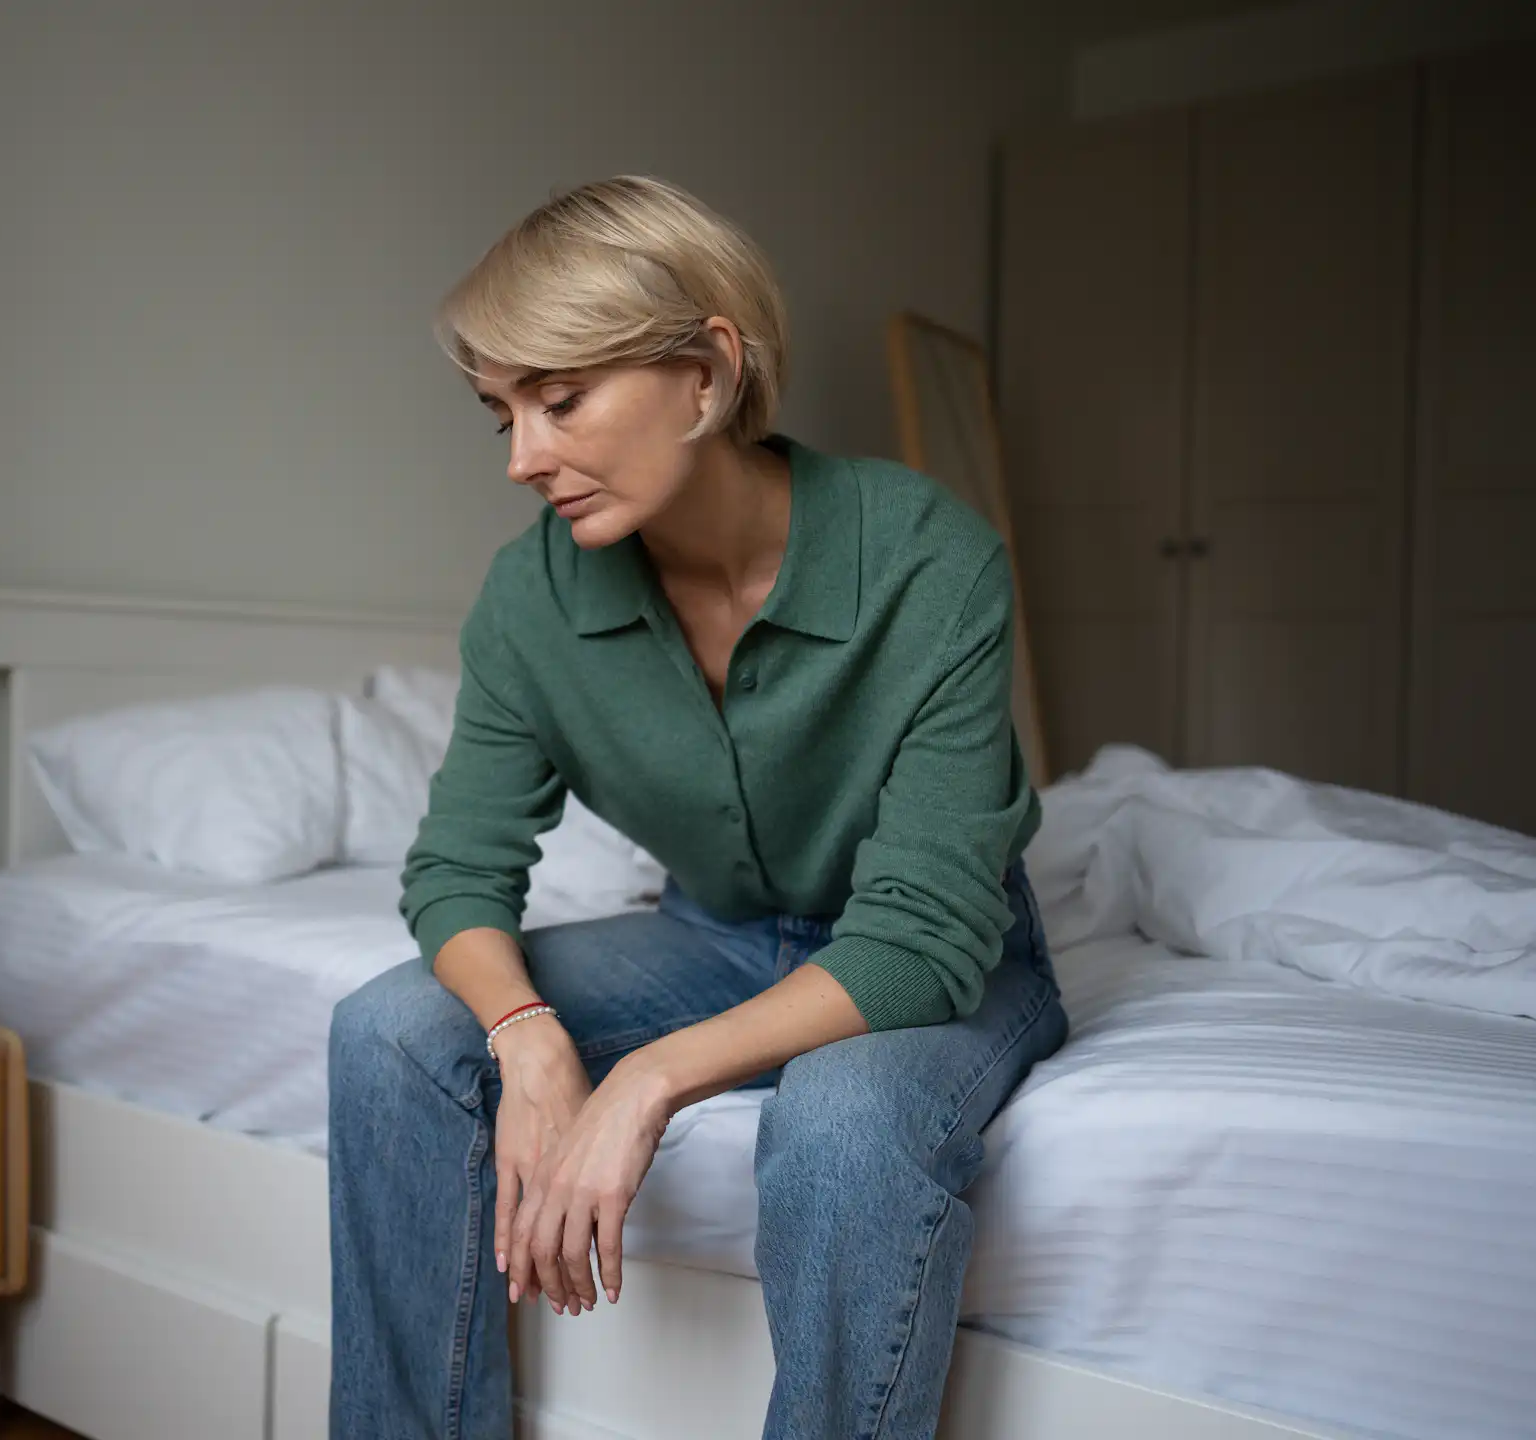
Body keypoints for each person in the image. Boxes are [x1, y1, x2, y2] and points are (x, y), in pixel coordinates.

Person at [326, 176, 1068, 1440]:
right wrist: (525, 1034)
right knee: (392, 1032)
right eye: (499, 412)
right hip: (713, 933)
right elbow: (455, 866)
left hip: (934, 955)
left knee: (841, 1120)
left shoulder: (929, 559)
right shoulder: (529, 598)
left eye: (559, 399)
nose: (521, 457)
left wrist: (645, 1083)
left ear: (711, 372)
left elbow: (918, 936)